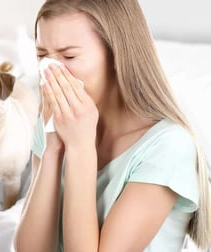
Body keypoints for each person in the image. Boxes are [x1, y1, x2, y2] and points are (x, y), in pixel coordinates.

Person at [14, 0, 211, 251]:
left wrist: (80, 148)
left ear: (117, 56)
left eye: (69, 56)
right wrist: (52, 148)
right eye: (41, 55)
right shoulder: (55, 127)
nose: (49, 71)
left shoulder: (168, 147)